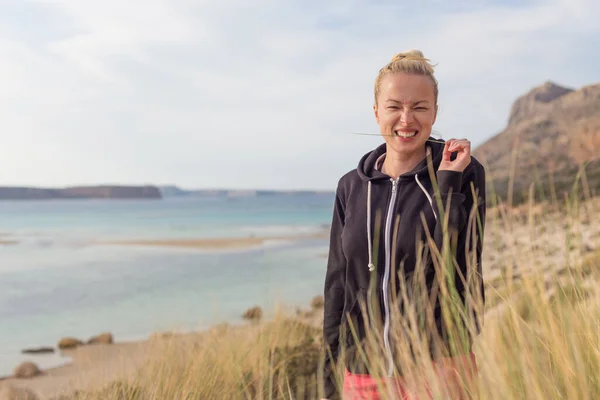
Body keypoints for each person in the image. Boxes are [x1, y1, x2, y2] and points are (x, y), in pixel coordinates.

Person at [321, 50, 486, 400]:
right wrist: (331, 374)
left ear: (435, 113)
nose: (406, 119)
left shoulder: (464, 174)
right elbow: (338, 282)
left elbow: (452, 259)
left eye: (420, 107)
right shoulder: (351, 186)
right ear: (377, 111)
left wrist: (447, 182)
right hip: (365, 369)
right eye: (394, 106)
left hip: (441, 364)